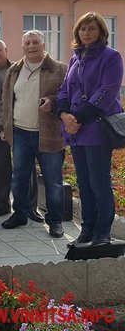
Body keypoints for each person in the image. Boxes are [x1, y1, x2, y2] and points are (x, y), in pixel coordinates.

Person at [57, 13, 124, 246]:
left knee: (99, 181)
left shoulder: (111, 57)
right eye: (83, 29)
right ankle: (87, 229)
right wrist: (63, 114)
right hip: (76, 131)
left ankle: (102, 232)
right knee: (83, 182)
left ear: (101, 32)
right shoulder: (76, 58)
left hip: (96, 128)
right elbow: (64, 89)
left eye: (92, 29)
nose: (86, 33)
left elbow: (107, 92)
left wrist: (77, 118)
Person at [0, 30, 68, 238]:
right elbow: (6, 103)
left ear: (43, 45)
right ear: (22, 47)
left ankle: (55, 221)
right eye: (27, 43)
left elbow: (67, 97)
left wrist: (53, 102)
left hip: (49, 134)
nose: (31, 46)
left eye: (35, 42)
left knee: (53, 180)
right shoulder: (14, 70)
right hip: (21, 132)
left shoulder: (60, 69)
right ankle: (20, 213)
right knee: (19, 177)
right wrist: (3, 127)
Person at [0, 40, 43, 220]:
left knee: (27, 170)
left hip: (21, 126)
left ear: (6, 50)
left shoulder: (20, 71)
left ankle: (30, 208)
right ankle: (2, 205)